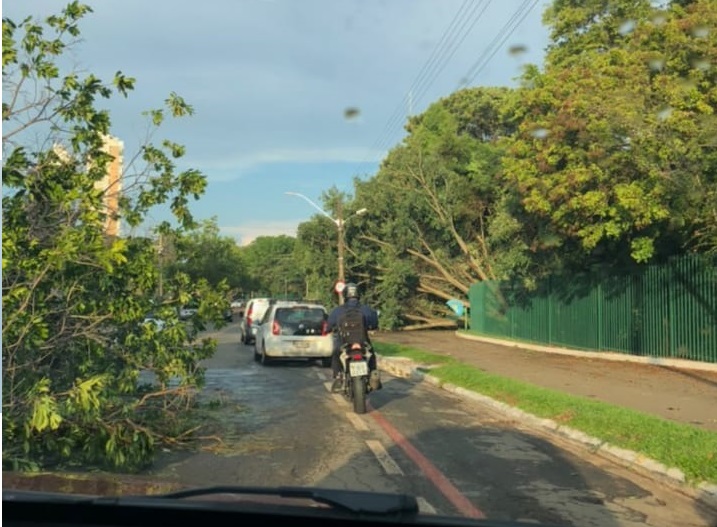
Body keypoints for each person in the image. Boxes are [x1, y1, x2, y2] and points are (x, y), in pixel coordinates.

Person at [326, 282, 381, 393]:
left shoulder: (338, 310)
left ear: (345, 295)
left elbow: (329, 325)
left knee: (336, 353)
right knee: (371, 354)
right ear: (358, 294)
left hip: (344, 342)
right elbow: (374, 323)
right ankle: (373, 374)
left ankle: (338, 377)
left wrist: (329, 329)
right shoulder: (366, 309)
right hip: (362, 341)